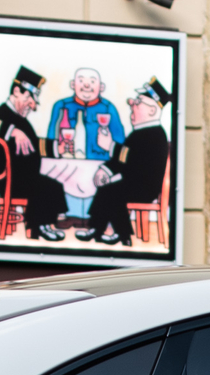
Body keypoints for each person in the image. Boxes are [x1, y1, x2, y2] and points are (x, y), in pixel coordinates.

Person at [0, 65, 67, 241]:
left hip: (26, 178)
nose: (32, 104)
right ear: (16, 91)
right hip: (11, 181)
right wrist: (12, 132)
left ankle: (47, 224)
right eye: (29, 97)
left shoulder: (21, 120)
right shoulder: (1, 113)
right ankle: (39, 227)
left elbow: (32, 144)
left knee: (52, 185)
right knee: (46, 187)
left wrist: (56, 148)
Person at [91, 77, 172, 250]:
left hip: (145, 188)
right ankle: (96, 229)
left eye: (138, 102)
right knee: (108, 189)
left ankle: (122, 235)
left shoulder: (156, 135)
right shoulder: (137, 133)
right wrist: (105, 170)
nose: (131, 104)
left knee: (112, 191)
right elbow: (122, 159)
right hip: (133, 184)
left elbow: (135, 160)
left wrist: (110, 145)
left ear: (152, 111)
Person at [45, 67, 125, 234]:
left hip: (100, 164)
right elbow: (51, 136)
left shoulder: (109, 109)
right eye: (81, 81)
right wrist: (57, 147)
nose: (86, 86)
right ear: (73, 84)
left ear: (101, 87)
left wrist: (109, 143)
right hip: (67, 160)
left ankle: (94, 217)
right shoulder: (61, 106)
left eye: (92, 82)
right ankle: (66, 215)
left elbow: (120, 142)